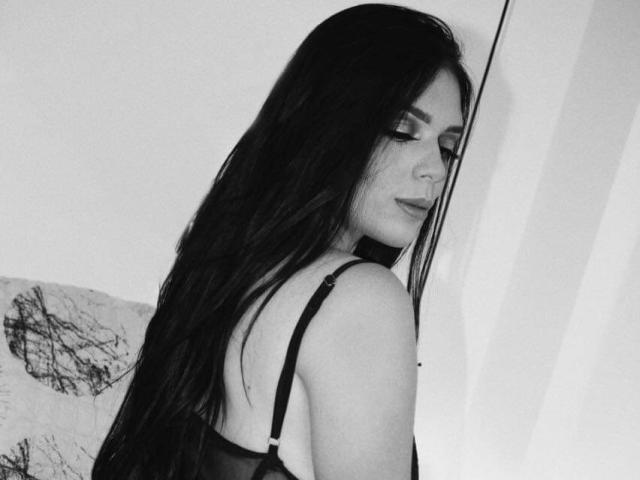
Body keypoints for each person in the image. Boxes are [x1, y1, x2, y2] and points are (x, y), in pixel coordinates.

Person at [92, 3, 473, 479]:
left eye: (447, 147)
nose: (434, 170)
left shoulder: (222, 275)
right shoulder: (361, 299)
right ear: (330, 122)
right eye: (402, 130)